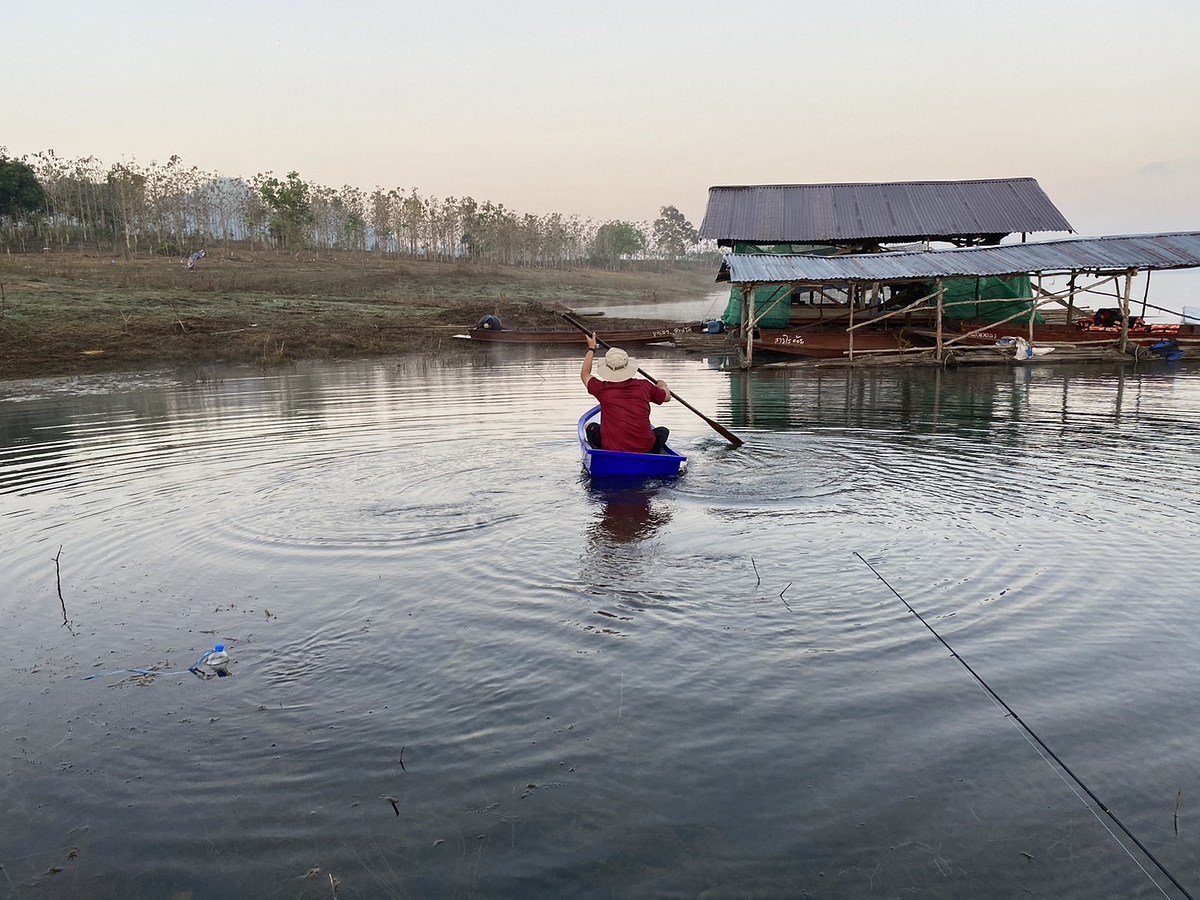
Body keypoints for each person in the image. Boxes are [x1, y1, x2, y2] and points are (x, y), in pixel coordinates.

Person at [580, 332, 672, 453]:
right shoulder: (644, 386)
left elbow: (585, 374)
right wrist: (662, 386)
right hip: (645, 448)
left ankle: (601, 455)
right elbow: (666, 397)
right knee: (663, 431)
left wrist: (591, 348)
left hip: (613, 449)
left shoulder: (602, 390)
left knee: (589, 427)